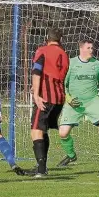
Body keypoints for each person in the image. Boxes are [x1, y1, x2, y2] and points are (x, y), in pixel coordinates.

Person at [58, 40, 99, 167]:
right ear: (81, 48)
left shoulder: (97, 64)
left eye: (92, 48)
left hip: (92, 101)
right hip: (74, 104)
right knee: (63, 133)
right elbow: (62, 84)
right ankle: (71, 156)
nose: (91, 50)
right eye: (88, 48)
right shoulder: (71, 63)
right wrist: (68, 98)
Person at [30, 29, 69, 177]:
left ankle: (41, 169)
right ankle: (42, 166)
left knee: (36, 130)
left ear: (47, 39)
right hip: (59, 98)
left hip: (46, 97)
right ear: (61, 39)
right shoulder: (65, 55)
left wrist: (36, 94)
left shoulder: (43, 50)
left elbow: (37, 71)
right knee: (43, 129)